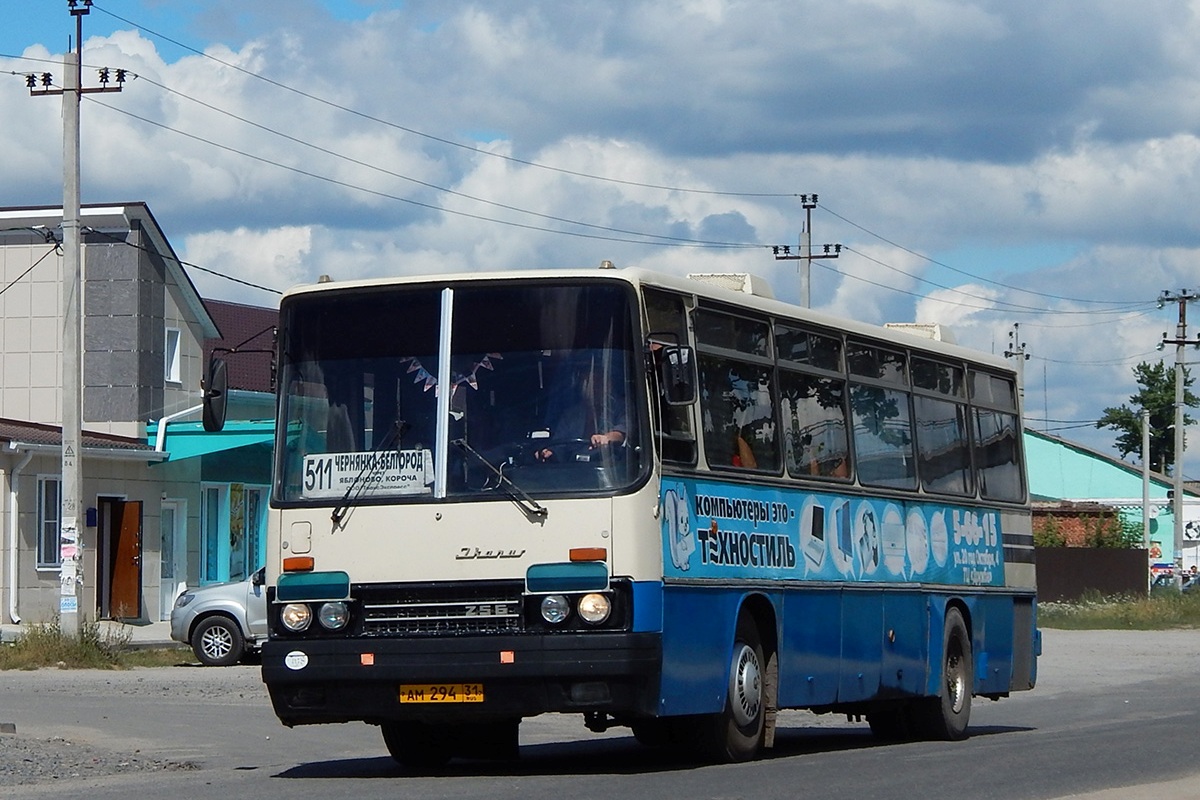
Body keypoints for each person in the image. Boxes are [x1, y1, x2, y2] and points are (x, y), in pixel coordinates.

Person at [534, 356, 626, 462]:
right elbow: (559, 444)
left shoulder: (620, 408)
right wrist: (549, 452)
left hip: (609, 468)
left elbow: (622, 433)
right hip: (572, 468)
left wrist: (606, 438)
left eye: (598, 381)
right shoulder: (570, 415)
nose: (593, 387)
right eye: (588, 382)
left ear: (608, 384)